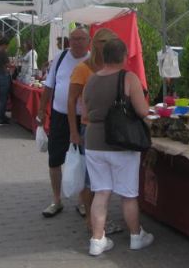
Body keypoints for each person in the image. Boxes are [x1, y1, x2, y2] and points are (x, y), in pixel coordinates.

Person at [82, 38, 153, 256]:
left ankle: (97, 239)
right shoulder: (128, 78)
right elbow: (142, 111)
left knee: (101, 192)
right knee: (128, 194)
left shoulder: (91, 80)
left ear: (103, 57)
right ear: (123, 57)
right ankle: (135, 236)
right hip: (121, 141)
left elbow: (85, 115)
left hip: (94, 141)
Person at [68, 28, 120, 233]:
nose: (108, 45)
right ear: (96, 43)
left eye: (112, 41)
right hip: (89, 128)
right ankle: (92, 222)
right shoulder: (84, 68)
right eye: (105, 41)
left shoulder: (112, 66)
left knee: (102, 179)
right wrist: (73, 131)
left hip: (110, 129)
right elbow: (71, 101)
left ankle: (98, 220)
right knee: (91, 179)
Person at [36, 28, 90, 218]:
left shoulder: (92, 61)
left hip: (83, 119)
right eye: (73, 39)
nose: (77, 42)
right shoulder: (60, 58)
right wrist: (42, 111)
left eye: (81, 39)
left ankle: (82, 202)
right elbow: (48, 87)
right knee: (55, 158)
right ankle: (56, 200)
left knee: (83, 159)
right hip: (59, 116)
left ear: (88, 41)